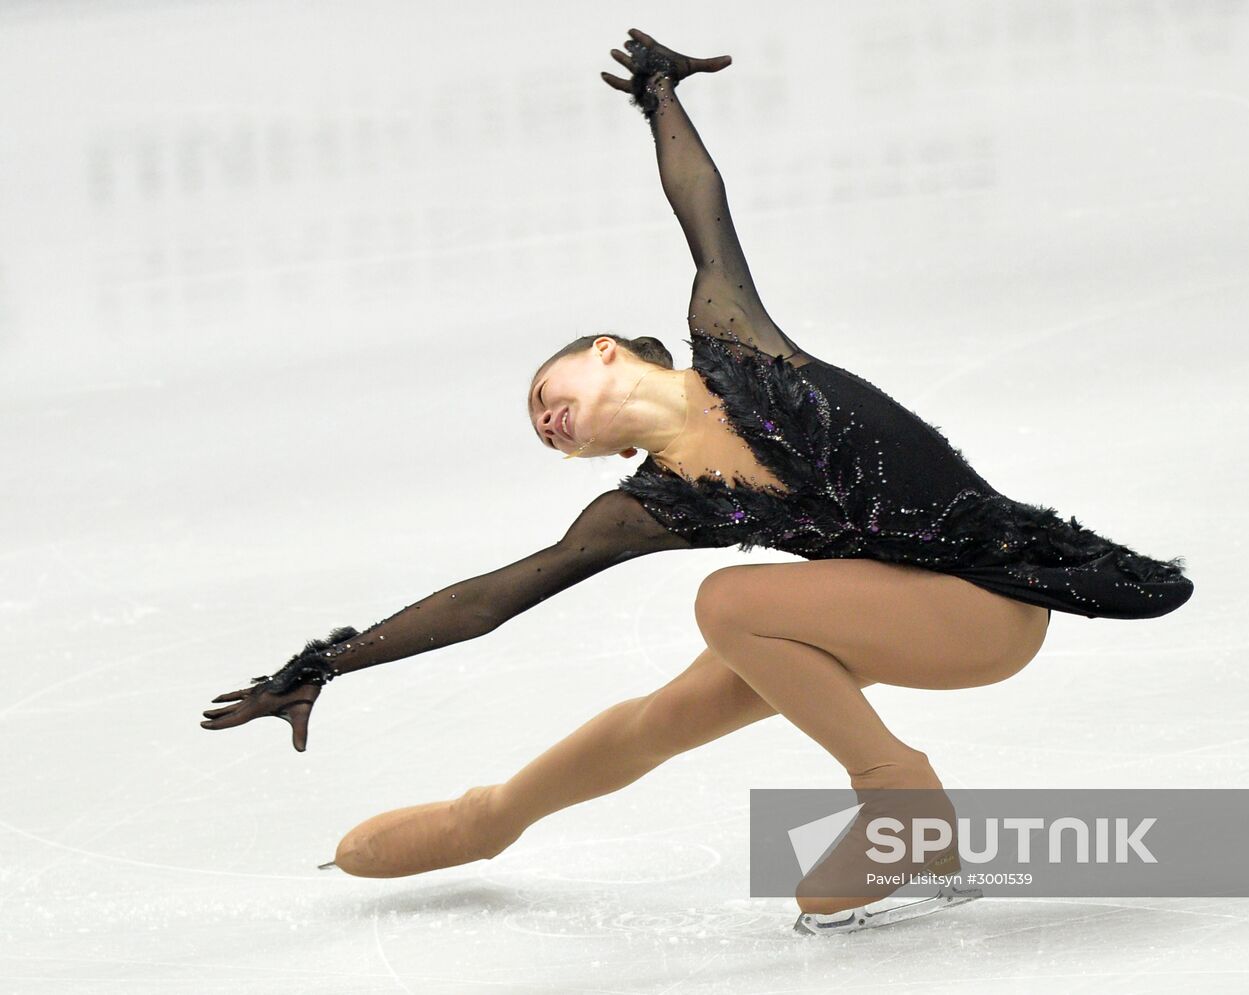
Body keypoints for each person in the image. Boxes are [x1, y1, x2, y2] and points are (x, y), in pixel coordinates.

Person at [201, 29, 1193, 919]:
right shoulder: (651, 505)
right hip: (890, 601)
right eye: (545, 435)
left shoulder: (735, 339)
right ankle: (489, 818)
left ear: (605, 352)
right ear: (595, 456)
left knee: (730, 599)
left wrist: (659, 95)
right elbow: (493, 598)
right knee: (667, 711)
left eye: (544, 392)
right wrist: (324, 661)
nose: (546, 421)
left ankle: (900, 798)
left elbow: (699, 203)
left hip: (989, 599)